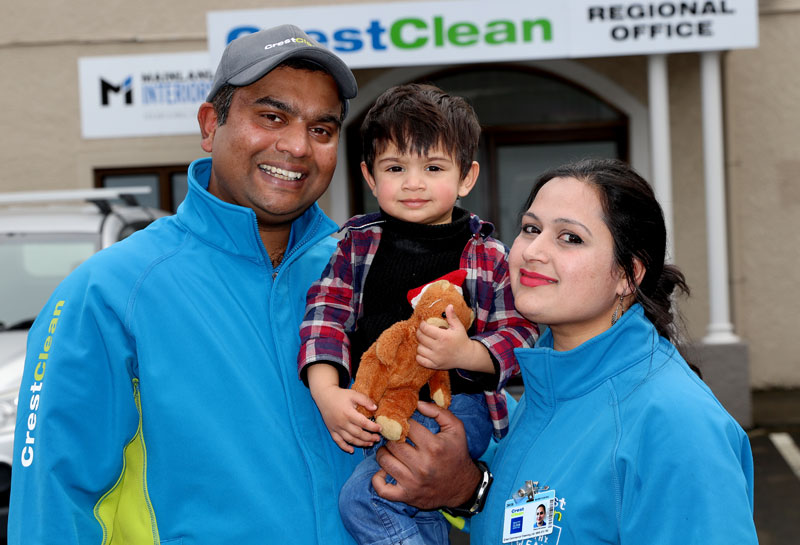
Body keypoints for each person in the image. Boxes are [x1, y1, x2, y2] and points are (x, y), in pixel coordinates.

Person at [8, 24, 367, 544]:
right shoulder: (109, 291)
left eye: (321, 129)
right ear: (210, 124)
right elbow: (53, 504)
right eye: (272, 117)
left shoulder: (360, 274)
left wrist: (464, 483)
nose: (296, 146)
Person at [463, 158, 758, 543]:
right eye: (531, 228)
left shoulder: (677, 424)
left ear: (627, 275)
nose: (533, 251)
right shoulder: (546, 392)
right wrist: (468, 490)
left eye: (570, 237)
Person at [297, 83, 537, 545]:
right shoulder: (356, 246)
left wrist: (467, 353)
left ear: (466, 177)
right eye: (395, 168)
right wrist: (327, 393)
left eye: (433, 167)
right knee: (407, 503)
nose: (413, 182)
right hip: (385, 403)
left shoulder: (487, 254)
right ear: (370, 177)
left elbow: (521, 331)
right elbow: (325, 316)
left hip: (457, 408)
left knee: (367, 498)